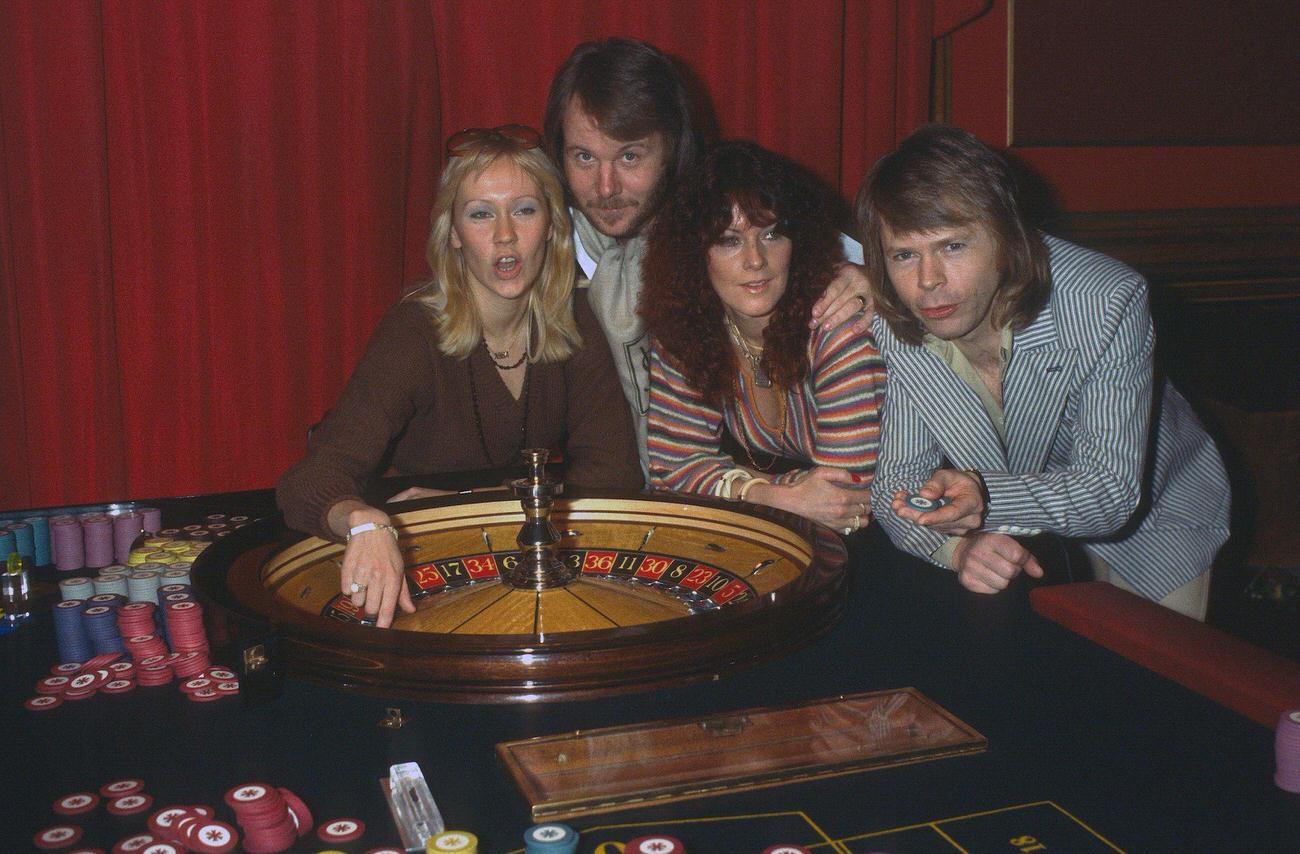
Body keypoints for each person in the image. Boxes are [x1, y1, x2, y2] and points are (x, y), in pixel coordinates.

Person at [858, 124, 1229, 619]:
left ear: (1006, 238)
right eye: (905, 254)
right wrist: (957, 550)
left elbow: (1110, 492)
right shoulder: (890, 318)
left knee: (1157, 685)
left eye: (952, 247)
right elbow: (896, 483)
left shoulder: (1106, 302)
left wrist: (986, 497)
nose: (928, 281)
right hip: (1017, 515)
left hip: (1156, 521)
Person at [277, 126, 642, 627]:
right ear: (452, 233)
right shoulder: (414, 331)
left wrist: (466, 505)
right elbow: (311, 480)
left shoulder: (575, 318)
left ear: (554, 225)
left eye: (525, 210)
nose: (505, 234)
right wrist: (363, 524)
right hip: (430, 568)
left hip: (530, 566)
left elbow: (613, 479)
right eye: (481, 213)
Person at [542, 37, 874, 474]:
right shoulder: (548, 244)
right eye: (584, 157)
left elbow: (864, 265)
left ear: (673, 150)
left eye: (630, 156)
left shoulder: (731, 210)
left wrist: (875, 281)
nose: (606, 187)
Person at [641, 141, 886, 533]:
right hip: (788, 526)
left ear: (798, 241)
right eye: (729, 240)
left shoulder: (837, 324)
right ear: (694, 253)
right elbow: (672, 475)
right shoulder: (687, 330)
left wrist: (733, 482)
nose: (755, 260)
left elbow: (843, 503)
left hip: (903, 534)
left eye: (772, 235)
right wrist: (773, 496)